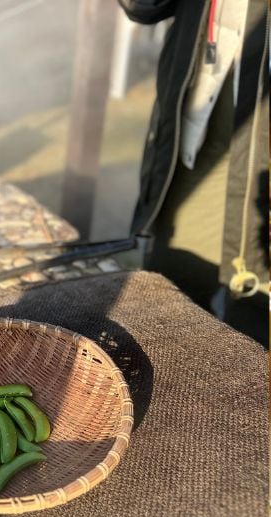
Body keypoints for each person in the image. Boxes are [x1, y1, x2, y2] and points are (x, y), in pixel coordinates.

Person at [120, 0, 269, 345]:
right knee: (169, 307)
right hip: (200, 145)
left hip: (262, 161)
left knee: (256, 328)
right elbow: (144, 7)